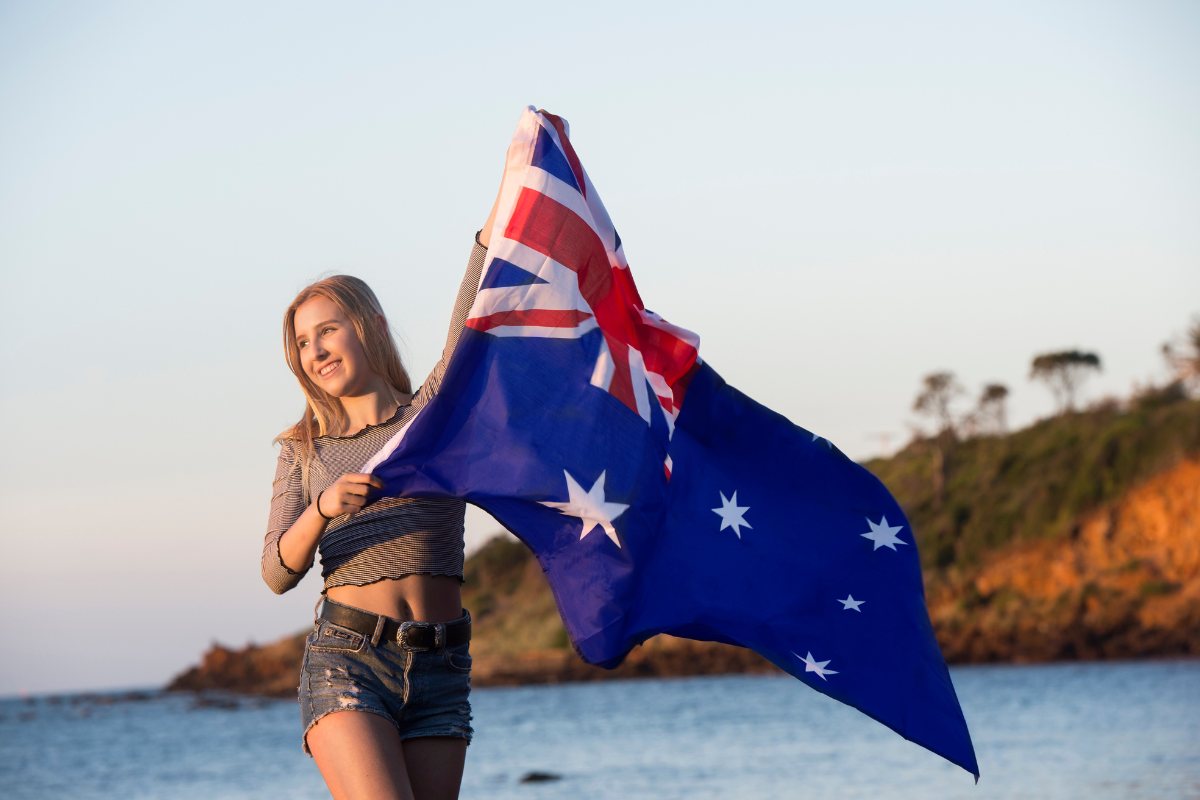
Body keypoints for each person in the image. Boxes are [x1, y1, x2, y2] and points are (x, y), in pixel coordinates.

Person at [262, 180, 504, 800]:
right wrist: (322, 507)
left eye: (327, 331)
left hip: (443, 666)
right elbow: (276, 569)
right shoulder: (304, 449)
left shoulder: (432, 419)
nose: (315, 351)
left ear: (368, 326)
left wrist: (499, 216)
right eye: (303, 344)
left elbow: (470, 330)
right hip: (348, 661)